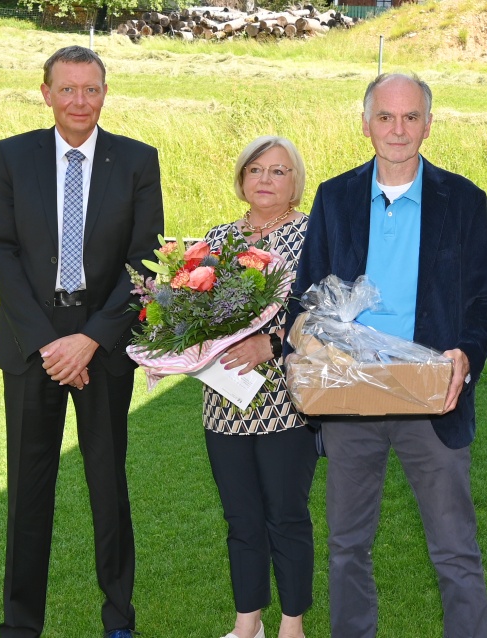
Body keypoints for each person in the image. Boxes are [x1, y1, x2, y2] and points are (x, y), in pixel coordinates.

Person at [286, 73, 487, 638]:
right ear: (366, 123)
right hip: (352, 396)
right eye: (385, 117)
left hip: (434, 399)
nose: (397, 130)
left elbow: (482, 303)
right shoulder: (335, 197)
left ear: (428, 123)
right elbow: (308, 294)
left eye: (409, 118)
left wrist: (465, 360)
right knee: (347, 546)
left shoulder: (465, 200)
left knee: (455, 549)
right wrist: (308, 344)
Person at [0, 46, 164, 638]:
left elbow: (144, 261)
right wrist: (48, 345)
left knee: (108, 488)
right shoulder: (12, 156)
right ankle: (20, 625)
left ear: (105, 93)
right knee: (28, 492)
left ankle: (118, 619)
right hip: (29, 340)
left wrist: (88, 340)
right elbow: (3, 252)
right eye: (67, 89)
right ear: (46, 93)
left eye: (90, 89)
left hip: (103, 345)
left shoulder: (137, 160)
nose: (79, 101)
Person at [201, 136, 318, 638]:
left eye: (278, 171)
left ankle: (292, 622)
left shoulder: (315, 235)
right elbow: (195, 312)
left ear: (296, 182)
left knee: (286, 514)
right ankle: (246, 622)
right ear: (241, 179)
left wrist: (269, 344)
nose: (265, 180)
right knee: (241, 516)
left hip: (285, 400)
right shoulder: (218, 240)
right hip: (224, 398)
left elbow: (324, 313)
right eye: (256, 170)